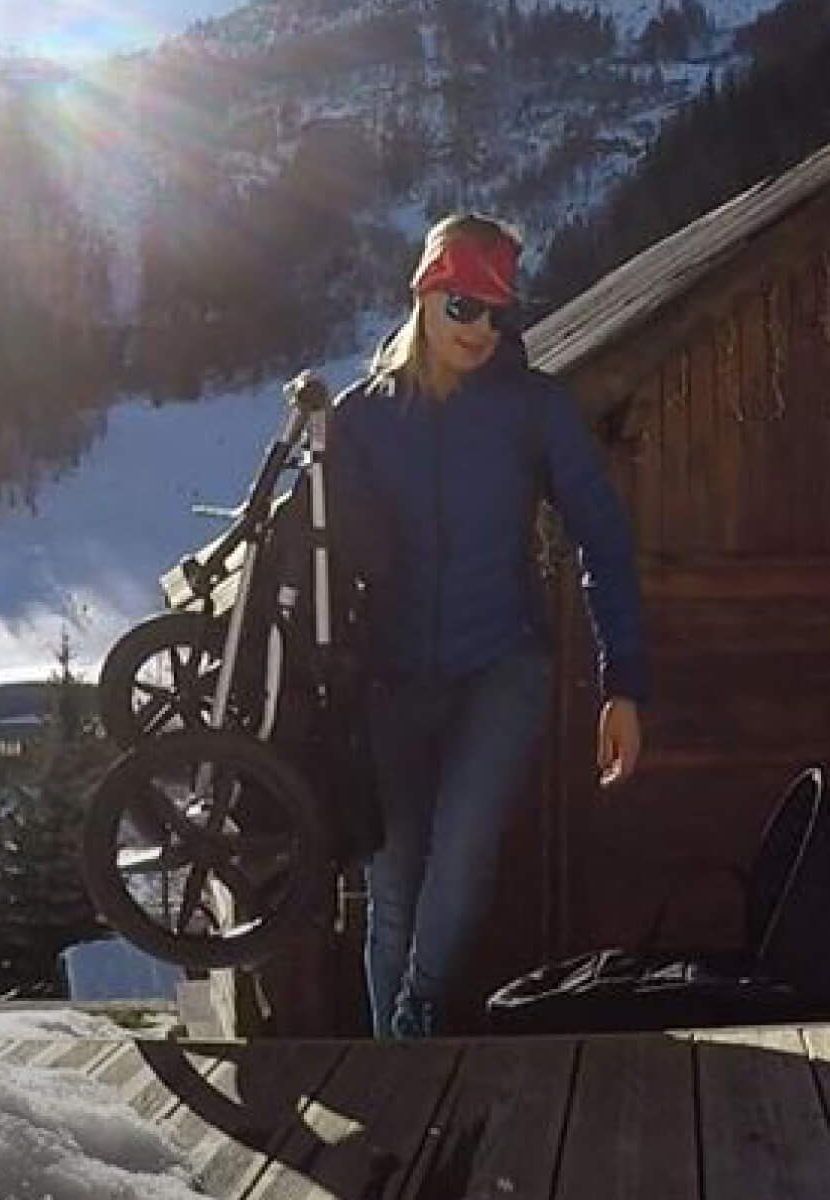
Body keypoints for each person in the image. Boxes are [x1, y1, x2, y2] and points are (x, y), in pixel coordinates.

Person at [330, 213, 651, 1039]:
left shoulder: (533, 409)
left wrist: (623, 683)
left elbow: (603, 537)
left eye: (497, 312)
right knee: (392, 887)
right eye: (463, 306)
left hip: (501, 667)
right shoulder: (361, 417)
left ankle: (415, 1017)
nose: (480, 328)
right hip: (391, 678)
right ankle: (400, 1060)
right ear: (424, 295)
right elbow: (317, 555)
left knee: (463, 856)